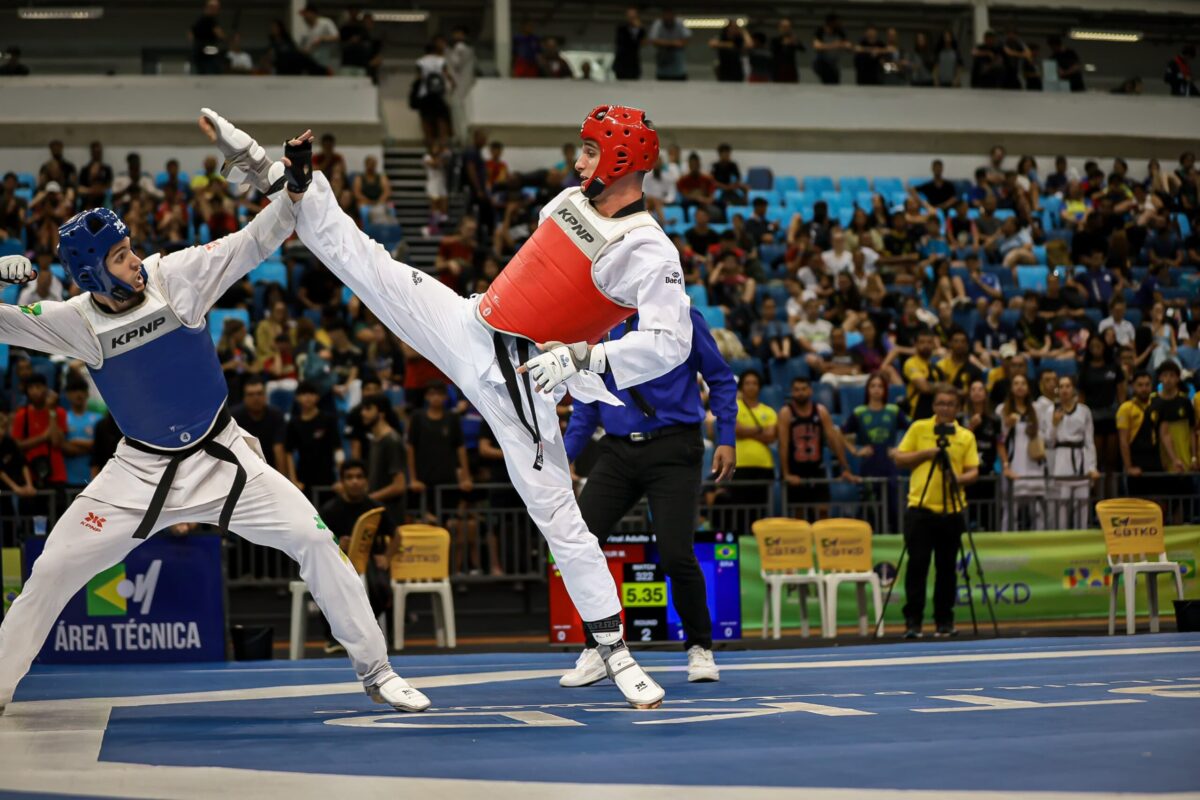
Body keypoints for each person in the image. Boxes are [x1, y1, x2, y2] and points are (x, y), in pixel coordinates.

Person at [216, 104, 683, 708]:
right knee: (369, 266)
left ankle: (613, 649)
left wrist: (584, 360)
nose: (578, 160)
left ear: (622, 158)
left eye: (590, 151)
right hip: (472, 319)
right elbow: (541, 278)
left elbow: (673, 343)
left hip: (517, 374)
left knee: (556, 512)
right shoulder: (567, 201)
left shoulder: (648, 248)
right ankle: (284, 176)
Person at [0, 114, 427, 716]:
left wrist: (297, 186)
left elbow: (258, 238)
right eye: (122, 257)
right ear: (92, 271)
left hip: (222, 454)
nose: (137, 261)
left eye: (132, 248)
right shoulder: (75, 321)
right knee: (49, 572)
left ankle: (377, 670)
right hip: (137, 474)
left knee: (313, 538)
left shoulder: (177, 277)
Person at [560, 305, 737, 687]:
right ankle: (598, 648)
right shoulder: (595, 321)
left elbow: (721, 378)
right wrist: (561, 461)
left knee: (676, 553)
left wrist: (726, 437)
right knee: (581, 542)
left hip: (675, 448)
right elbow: (586, 406)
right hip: (618, 449)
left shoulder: (680, 314)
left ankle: (699, 647)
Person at [894, 384, 979, 638]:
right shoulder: (919, 428)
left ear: (957, 408)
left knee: (946, 568)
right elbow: (899, 458)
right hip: (920, 508)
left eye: (950, 404)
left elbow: (973, 470)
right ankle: (913, 622)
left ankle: (944, 620)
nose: (945, 408)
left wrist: (958, 479)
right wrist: (929, 453)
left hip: (951, 509)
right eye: (940, 403)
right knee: (917, 566)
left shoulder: (965, 436)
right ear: (934, 406)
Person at [317, 459, 398, 654]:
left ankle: (376, 634)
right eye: (349, 477)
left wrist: (386, 557)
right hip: (338, 563)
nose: (355, 481)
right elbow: (318, 541)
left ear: (366, 481)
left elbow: (397, 535)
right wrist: (337, 544)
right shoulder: (329, 510)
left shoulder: (376, 508)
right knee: (327, 584)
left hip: (370, 563)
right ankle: (334, 638)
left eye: (359, 477)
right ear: (342, 482)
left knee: (380, 586)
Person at [778, 375, 855, 519]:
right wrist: (786, 473)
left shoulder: (820, 411)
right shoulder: (786, 413)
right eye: (796, 390)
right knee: (798, 514)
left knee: (823, 511)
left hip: (817, 468)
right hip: (796, 469)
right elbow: (783, 444)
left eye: (803, 389)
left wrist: (845, 468)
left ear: (810, 391)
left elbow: (833, 440)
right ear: (792, 392)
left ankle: (822, 540)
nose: (800, 392)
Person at [843, 372, 906, 532]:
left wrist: (900, 448)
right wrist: (855, 450)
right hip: (869, 466)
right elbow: (839, 433)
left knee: (894, 508)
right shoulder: (859, 412)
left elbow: (912, 430)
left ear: (885, 390)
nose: (877, 389)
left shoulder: (893, 410)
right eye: (873, 386)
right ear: (867, 389)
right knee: (870, 509)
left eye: (880, 386)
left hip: (889, 465)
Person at [1046, 375, 1097, 530]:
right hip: (1061, 462)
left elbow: (1089, 441)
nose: (1064, 390)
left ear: (1073, 389)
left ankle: (1080, 543)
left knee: (1082, 507)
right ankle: (1061, 543)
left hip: (1081, 461)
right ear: (1057, 390)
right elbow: (1049, 441)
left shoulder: (1084, 411)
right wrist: (1054, 424)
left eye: (1068, 386)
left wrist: (1092, 467)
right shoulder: (1051, 410)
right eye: (1061, 386)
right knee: (1061, 507)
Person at [997, 373, 1045, 531]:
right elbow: (1000, 441)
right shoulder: (1002, 410)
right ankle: (1008, 547)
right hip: (1014, 465)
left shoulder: (1036, 409)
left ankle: (1040, 545)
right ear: (1011, 388)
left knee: (1037, 511)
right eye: (1016, 383)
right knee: (1010, 512)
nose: (1020, 386)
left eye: (1023, 383)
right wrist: (1005, 466)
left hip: (1034, 465)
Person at [1117, 370, 1162, 500]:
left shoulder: (1157, 404)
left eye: (1147, 385)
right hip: (1136, 460)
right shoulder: (1126, 408)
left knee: (1158, 503)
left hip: (1155, 461)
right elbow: (1123, 440)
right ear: (1133, 386)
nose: (1144, 388)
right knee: (1138, 504)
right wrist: (1129, 466)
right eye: (1140, 385)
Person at [61, 375, 100, 489]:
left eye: (82, 390)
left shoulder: (98, 419)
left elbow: (101, 446)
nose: (79, 394)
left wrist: (75, 441)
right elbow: (62, 446)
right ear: (67, 395)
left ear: (87, 393)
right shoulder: (63, 418)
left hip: (94, 480)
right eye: (74, 390)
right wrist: (90, 447)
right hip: (69, 480)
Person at [649, 10, 689, 81]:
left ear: (673, 17)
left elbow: (686, 39)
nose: (668, 20)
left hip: (678, 65)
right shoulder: (658, 24)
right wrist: (673, 43)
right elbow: (653, 40)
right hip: (663, 61)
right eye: (666, 18)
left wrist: (664, 43)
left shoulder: (679, 23)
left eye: (670, 18)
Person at [189, 0, 226, 75]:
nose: (217, 10)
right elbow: (219, 33)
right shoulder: (210, 20)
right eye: (216, 8)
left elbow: (190, 33)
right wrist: (225, 38)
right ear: (210, 7)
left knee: (201, 68)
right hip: (207, 47)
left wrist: (196, 43)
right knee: (214, 64)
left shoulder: (199, 19)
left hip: (198, 48)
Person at [613, 7, 645, 81]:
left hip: (633, 64)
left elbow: (643, 42)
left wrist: (638, 29)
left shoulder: (640, 29)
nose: (632, 18)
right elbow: (623, 42)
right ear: (627, 16)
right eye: (630, 16)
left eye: (634, 16)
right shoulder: (621, 28)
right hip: (621, 63)